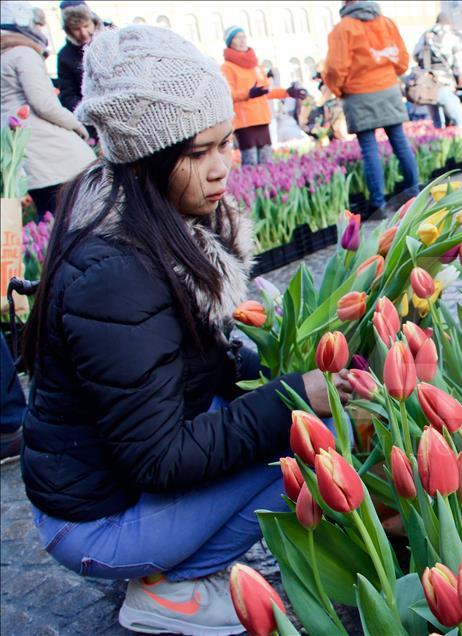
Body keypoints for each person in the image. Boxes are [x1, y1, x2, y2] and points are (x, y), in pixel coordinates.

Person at [19, 24, 353, 635]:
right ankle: (169, 587)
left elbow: (194, 378)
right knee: (312, 441)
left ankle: (178, 562)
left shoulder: (165, 228)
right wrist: (295, 396)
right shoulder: (117, 274)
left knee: (297, 422)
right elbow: (158, 457)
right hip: (94, 522)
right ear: (143, 161)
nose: (224, 167)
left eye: (225, 142)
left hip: (108, 482)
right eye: (198, 154)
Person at [1, 0, 95, 217]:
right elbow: (44, 103)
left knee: (50, 217)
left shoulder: (4, 57)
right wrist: (77, 125)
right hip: (49, 152)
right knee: (77, 214)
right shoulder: (23, 53)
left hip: (19, 152)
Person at [324, 0, 419, 216]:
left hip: (358, 94)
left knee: (369, 150)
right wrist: (387, 74)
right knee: (400, 142)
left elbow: (336, 67)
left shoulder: (343, 28)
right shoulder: (386, 22)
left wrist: (338, 90)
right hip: (388, 89)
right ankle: (415, 192)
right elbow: (402, 59)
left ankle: (379, 204)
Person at [220, 26, 304, 166]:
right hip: (245, 123)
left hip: (262, 119)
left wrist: (287, 92)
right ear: (230, 42)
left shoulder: (255, 66)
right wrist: (249, 93)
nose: (242, 41)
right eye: (237, 38)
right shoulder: (227, 68)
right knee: (251, 162)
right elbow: (228, 95)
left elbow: (266, 91)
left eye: (244, 36)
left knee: (267, 162)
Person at [413, 13, 462, 129]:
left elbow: (415, 55)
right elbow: (459, 63)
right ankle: (461, 145)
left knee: (437, 125)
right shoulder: (451, 36)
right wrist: (460, 80)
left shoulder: (425, 36)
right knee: (459, 121)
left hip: (428, 85)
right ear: (448, 23)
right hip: (444, 83)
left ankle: (440, 145)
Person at [55, 1, 99, 113]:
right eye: (76, 29)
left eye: (86, 26)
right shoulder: (64, 57)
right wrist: (89, 112)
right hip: (92, 116)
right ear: (68, 30)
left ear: (94, 22)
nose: (84, 33)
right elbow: (68, 95)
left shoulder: (114, 39)